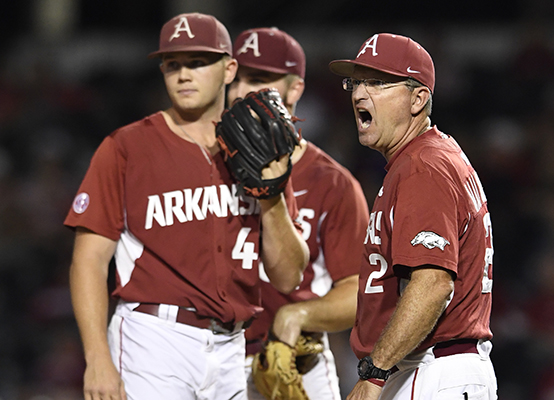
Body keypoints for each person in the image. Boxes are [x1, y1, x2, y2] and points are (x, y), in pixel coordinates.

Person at [65, 13, 309, 400]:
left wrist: (272, 196)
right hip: (154, 339)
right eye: (173, 65)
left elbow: (288, 277)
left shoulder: (263, 147)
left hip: (232, 348)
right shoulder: (126, 148)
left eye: (198, 63)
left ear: (229, 69)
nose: (183, 75)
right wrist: (96, 358)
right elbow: (88, 260)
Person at [328, 33, 498, 399]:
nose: (359, 94)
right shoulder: (430, 157)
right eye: (355, 82)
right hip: (434, 368)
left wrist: (375, 371)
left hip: (431, 368)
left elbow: (433, 283)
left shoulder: (423, 167)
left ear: (418, 98)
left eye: (376, 82)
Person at [228, 27, 370, 400]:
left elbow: (358, 291)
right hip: (212, 358)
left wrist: (299, 315)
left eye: (258, 79)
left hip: (294, 360)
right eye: (235, 78)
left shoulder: (332, 183)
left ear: (294, 90)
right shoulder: (204, 167)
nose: (241, 91)